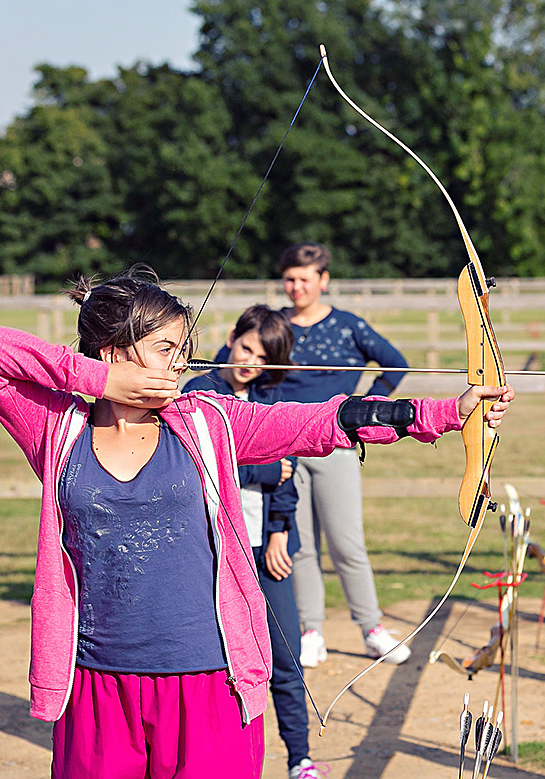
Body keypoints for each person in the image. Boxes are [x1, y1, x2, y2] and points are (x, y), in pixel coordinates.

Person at [0, 265, 514, 779]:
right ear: (113, 351)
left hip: (209, 678)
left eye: (185, 349)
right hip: (96, 681)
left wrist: (446, 412)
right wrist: (98, 380)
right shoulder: (56, 428)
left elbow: (321, 422)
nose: (182, 363)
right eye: (166, 348)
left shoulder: (208, 421)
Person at [220, 242, 411, 668]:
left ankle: (372, 627)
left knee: (347, 542)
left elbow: (395, 363)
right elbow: (228, 361)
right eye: (289, 279)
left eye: (305, 279)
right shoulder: (273, 326)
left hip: (334, 445)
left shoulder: (347, 326)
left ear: (323, 280)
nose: (296, 287)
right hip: (283, 447)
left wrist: (363, 410)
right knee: (300, 545)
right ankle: (311, 630)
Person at [182, 305, 319, 779]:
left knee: (286, 657)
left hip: (266, 550)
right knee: (221, 664)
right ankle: (224, 759)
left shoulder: (269, 396)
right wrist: (264, 468)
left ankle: (300, 759)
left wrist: (280, 529)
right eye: (246, 349)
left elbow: (289, 470)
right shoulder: (198, 393)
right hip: (214, 553)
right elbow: (200, 466)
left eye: (263, 358)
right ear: (231, 338)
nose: (250, 363)